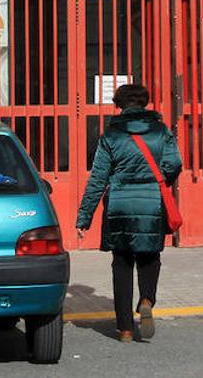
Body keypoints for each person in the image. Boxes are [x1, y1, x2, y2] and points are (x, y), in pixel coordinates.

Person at [77, 83, 183, 342]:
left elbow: (98, 178)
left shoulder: (111, 136)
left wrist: (84, 217)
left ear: (119, 105)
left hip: (120, 205)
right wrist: (157, 179)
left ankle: (124, 328)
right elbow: (174, 164)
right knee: (149, 258)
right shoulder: (160, 131)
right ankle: (146, 299)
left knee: (121, 264)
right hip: (150, 203)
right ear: (145, 103)